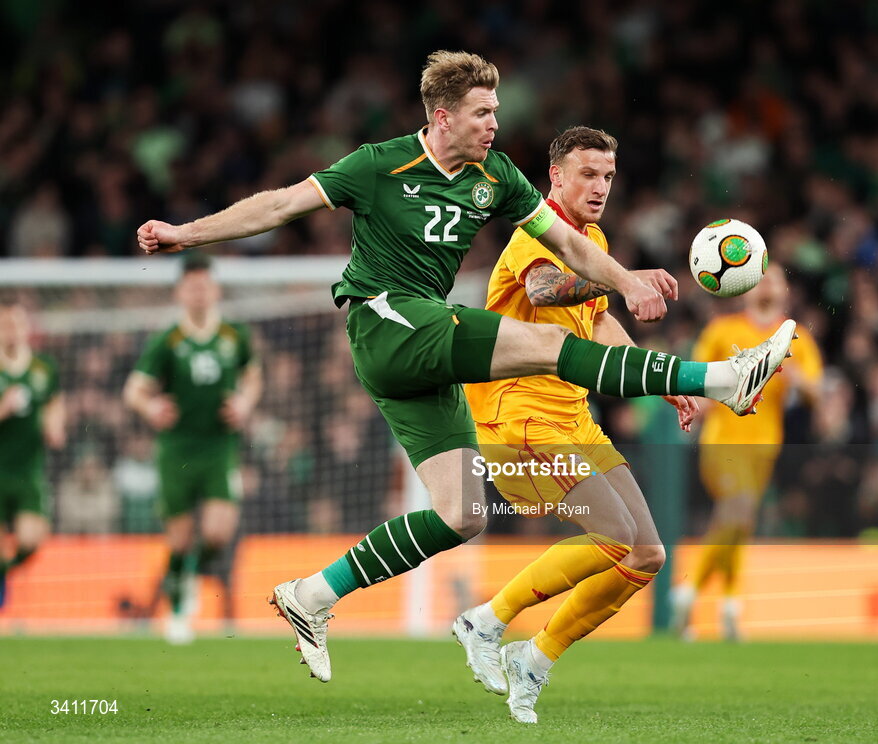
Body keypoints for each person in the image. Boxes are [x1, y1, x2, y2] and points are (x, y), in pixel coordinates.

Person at [136, 50, 795, 682]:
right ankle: (721, 379)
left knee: (462, 514)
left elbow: (566, 243)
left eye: (498, 110)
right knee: (540, 348)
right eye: (483, 112)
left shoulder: (495, 179)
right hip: (386, 319)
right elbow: (280, 204)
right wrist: (185, 233)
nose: (495, 124)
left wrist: (625, 280)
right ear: (442, 116)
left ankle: (313, 593)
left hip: (421, 351)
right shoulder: (379, 164)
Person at [453, 125, 699, 723]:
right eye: (588, 174)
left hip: (573, 417)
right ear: (556, 176)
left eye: (608, 176)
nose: (600, 187)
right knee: (615, 537)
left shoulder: (592, 239)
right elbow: (542, 288)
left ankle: (534, 659)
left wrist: (659, 379)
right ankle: (484, 620)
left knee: (645, 554)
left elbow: (598, 325)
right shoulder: (535, 231)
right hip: (521, 416)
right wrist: (620, 275)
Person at [672, 264, 821, 641]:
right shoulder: (722, 330)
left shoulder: (795, 337)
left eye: (775, 279)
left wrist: (793, 375)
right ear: (745, 288)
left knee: (740, 521)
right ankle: (696, 596)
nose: (767, 285)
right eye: (761, 279)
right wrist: (696, 405)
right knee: (737, 508)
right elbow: (697, 376)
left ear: (786, 290)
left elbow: (816, 393)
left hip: (765, 446)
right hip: (723, 440)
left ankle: (723, 605)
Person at [123, 253, 262, 643]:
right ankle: (180, 607)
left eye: (205, 286)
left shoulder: (235, 336)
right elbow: (133, 389)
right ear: (180, 292)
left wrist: (245, 403)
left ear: (215, 290)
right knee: (180, 538)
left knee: (218, 533)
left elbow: (253, 377)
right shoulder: (168, 341)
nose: (199, 293)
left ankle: (187, 581)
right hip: (177, 449)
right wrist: (149, 405)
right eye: (192, 287)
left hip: (220, 448)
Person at [0, 298, 65, 607]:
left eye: (15, 324)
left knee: (31, 540)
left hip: (28, 471)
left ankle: (3, 572)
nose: (10, 331)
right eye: (5, 325)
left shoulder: (43, 368)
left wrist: (55, 426)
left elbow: (54, 402)